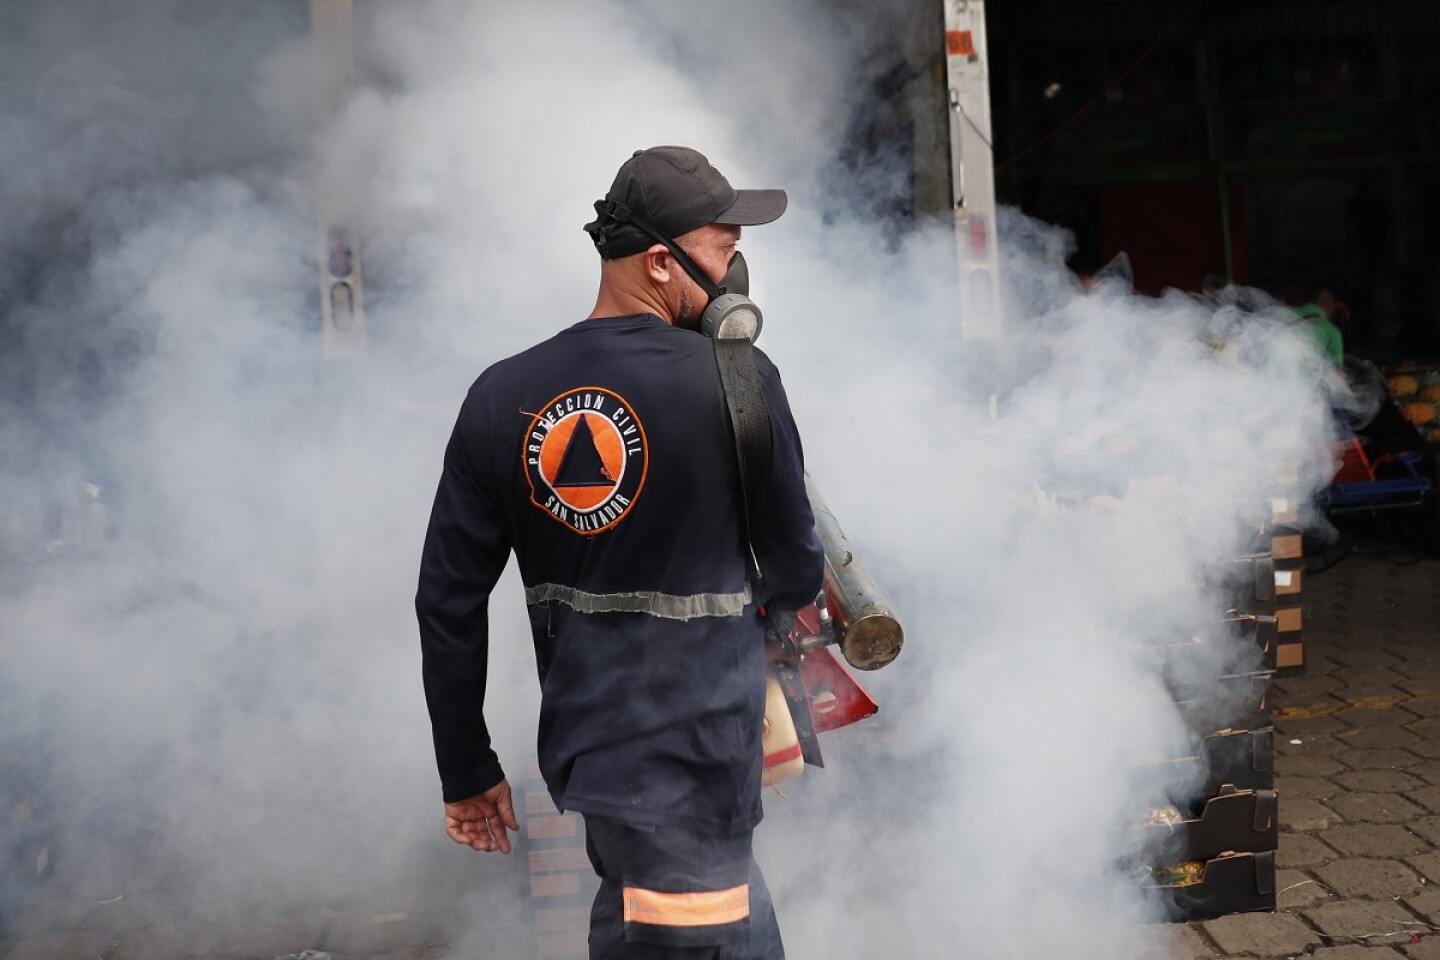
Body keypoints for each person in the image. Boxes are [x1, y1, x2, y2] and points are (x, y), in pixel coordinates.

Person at [416, 145, 825, 959]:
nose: (739, 265)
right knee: (689, 937)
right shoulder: (741, 380)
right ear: (662, 264)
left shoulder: (502, 394)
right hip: (698, 758)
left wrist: (466, 768)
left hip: (598, 754)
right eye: (724, 247)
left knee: (676, 925)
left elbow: (447, 602)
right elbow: (796, 572)